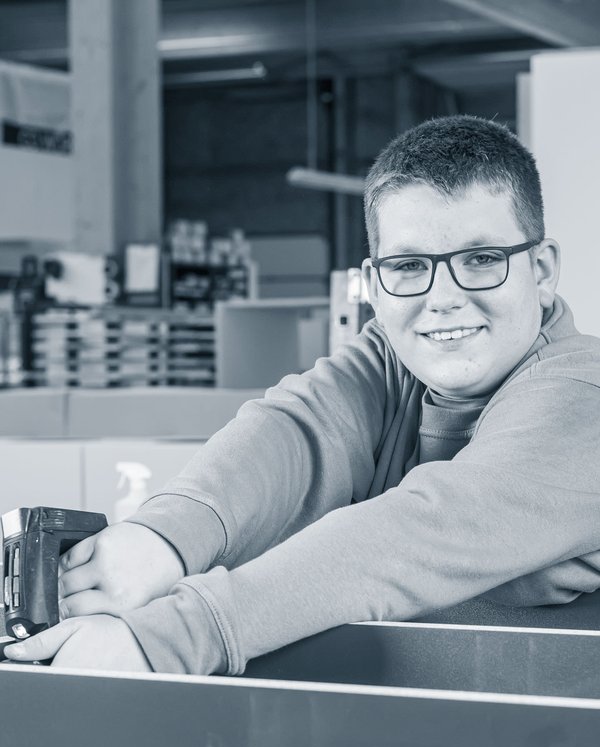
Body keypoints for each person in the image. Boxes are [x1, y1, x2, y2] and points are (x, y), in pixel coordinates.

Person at [6, 114, 600, 672]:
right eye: (408, 266)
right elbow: (295, 431)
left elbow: (416, 531)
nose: (442, 297)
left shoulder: (583, 396)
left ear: (542, 271)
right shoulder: (394, 362)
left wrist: (164, 640)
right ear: (373, 286)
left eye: (482, 259)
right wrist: (158, 541)